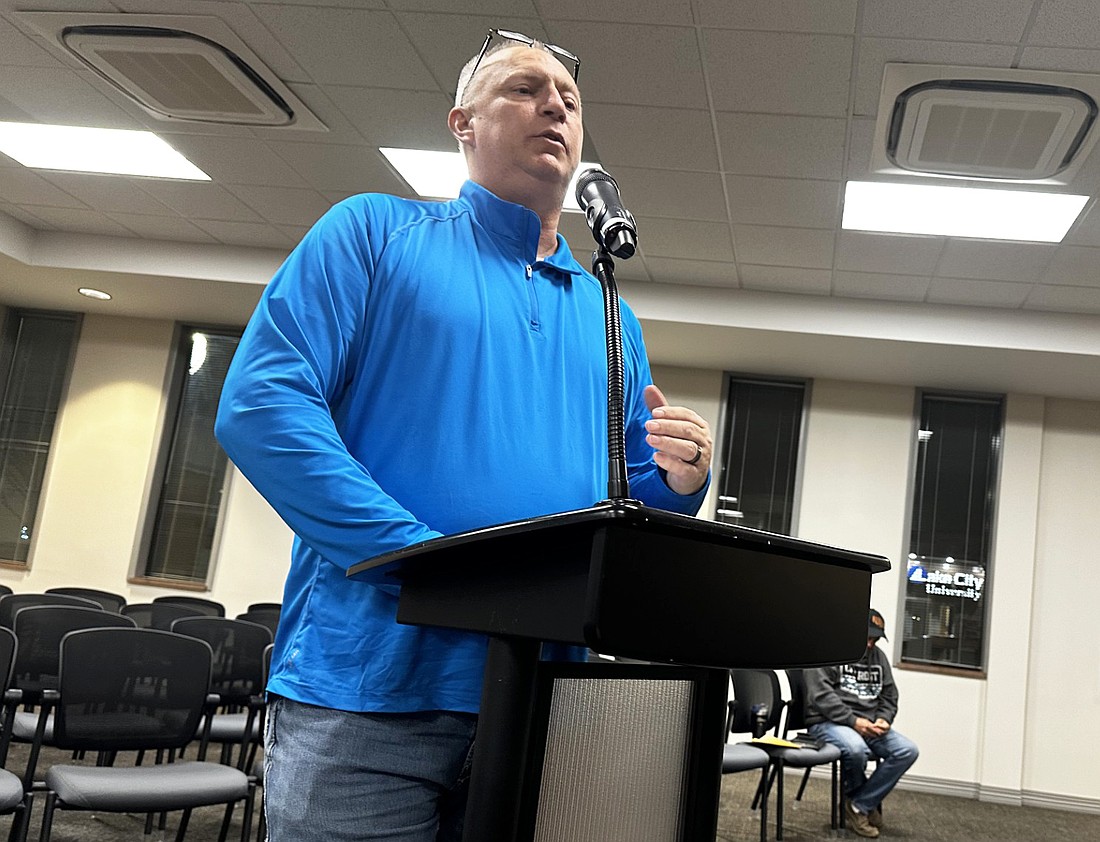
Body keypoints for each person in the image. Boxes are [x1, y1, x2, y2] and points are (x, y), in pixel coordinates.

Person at [214, 28, 713, 842]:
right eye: (524, 88)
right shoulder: (374, 233)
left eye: (571, 100)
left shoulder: (609, 313)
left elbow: (627, 496)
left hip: (543, 695)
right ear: (462, 123)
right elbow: (263, 404)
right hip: (370, 687)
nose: (555, 104)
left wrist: (679, 479)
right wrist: (422, 562)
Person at [803, 609, 919, 838]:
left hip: (868, 724)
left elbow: (889, 695)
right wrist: (854, 721)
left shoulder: (879, 657)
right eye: (866, 637)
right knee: (857, 749)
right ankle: (861, 807)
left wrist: (884, 719)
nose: (869, 644)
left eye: (874, 639)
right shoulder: (827, 651)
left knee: (907, 750)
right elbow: (821, 696)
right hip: (827, 722)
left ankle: (858, 804)